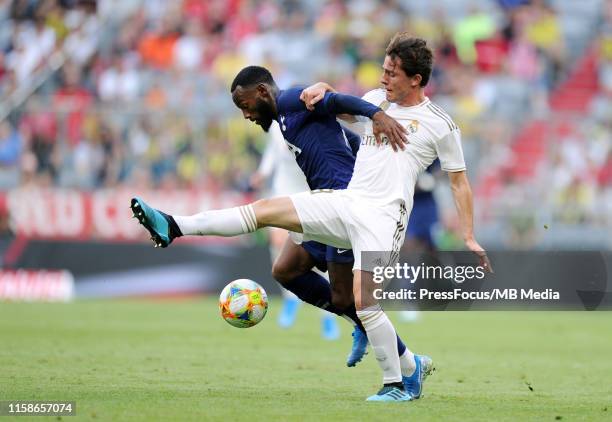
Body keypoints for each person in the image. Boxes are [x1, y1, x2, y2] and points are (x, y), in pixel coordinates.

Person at [131, 33, 491, 402]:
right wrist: (321, 88)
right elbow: (336, 108)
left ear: (415, 79)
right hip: (346, 201)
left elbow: (459, 183)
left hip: (385, 217)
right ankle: (174, 225)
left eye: (392, 74)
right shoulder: (374, 101)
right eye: (383, 70)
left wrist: (468, 235)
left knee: (364, 302)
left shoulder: (440, 124)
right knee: (266, 211)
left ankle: (400, 382)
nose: (383, 79)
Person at [250, 121, 340, 340]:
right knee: (278, 241)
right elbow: (273, 149)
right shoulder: (275, 125)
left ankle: (328, 317)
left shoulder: (317, 124)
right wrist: (263, 171)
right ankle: (290, 298)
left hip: (312, 189)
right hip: (284, 188)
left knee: (320, 255)